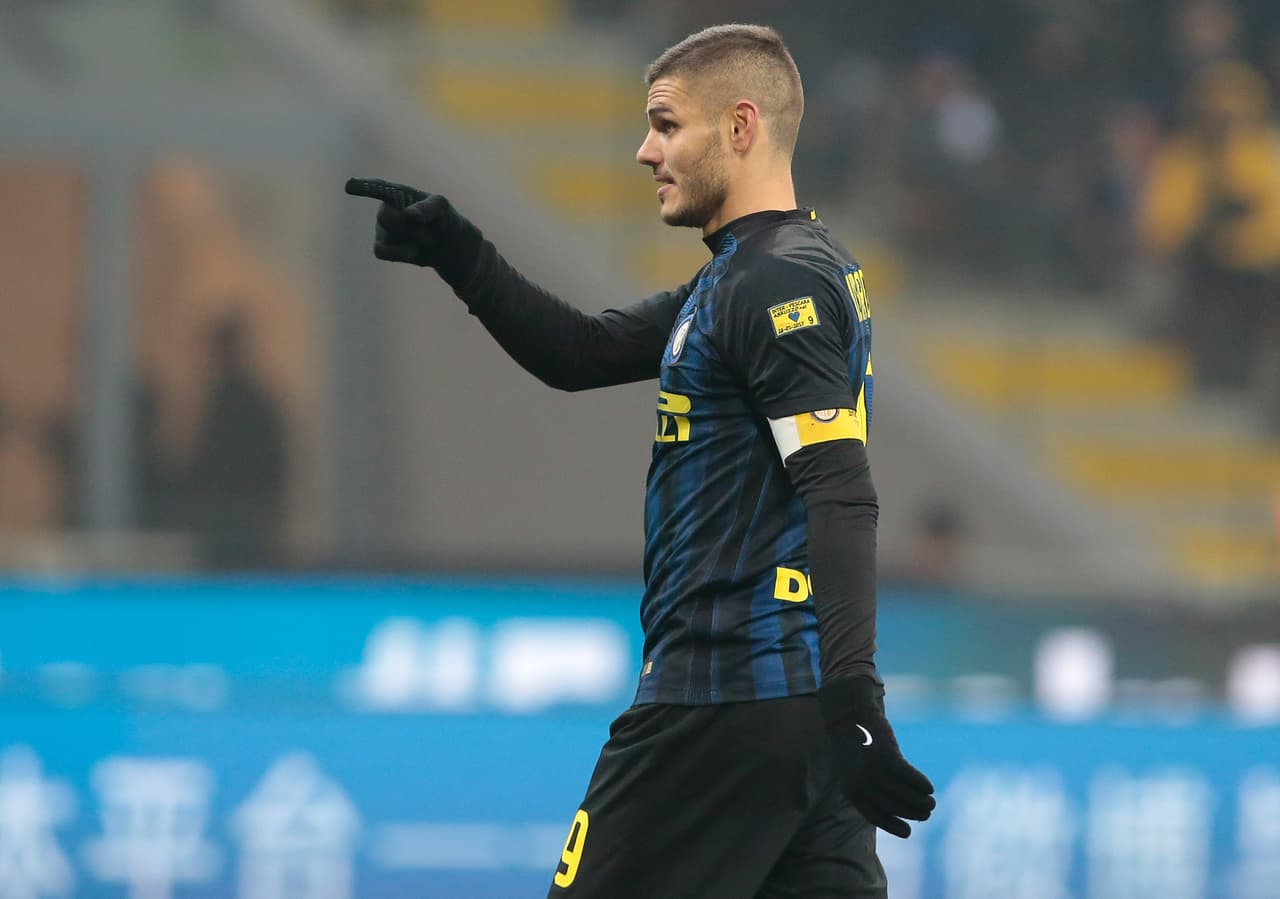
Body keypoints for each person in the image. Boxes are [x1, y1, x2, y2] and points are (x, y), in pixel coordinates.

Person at [346, 23, 934, 898]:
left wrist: (857, 700)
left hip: (722, 701)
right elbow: (579, 353)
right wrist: (460, 253)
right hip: (792, 716)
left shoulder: (777, 285)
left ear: (740, 128)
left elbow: (839, 489)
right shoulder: (746, 276)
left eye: (666, 125)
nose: (643, 150)